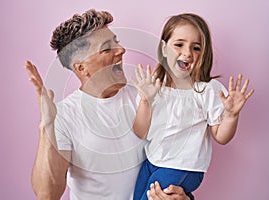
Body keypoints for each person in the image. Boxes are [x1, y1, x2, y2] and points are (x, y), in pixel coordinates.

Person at [25, 9, 193, 200]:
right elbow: (47, 194)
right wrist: (47, 126)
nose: (121, 50)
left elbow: (177, 158)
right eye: (106, 48)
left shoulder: (144, 97)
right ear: (82, 67)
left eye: (117, 43)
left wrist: (183, 197)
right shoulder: (64, 116)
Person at [131, 13, 254, 200]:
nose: (187, 53)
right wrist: (145, 101)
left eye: (196, 48)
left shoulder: (207, 90)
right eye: (179, 45)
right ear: (164, 49)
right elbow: (140, 132)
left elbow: (221, 137)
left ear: (203, 54)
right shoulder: (154, 85)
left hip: (184, 167)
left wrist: (230, 115)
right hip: (152, 161)